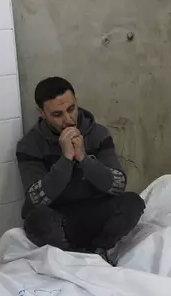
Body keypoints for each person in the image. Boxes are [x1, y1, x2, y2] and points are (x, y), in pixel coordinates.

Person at [16, 77, 145, 265]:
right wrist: (66, 159)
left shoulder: (98, 133)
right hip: (60, 219)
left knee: (132, 203)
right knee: (36, 220)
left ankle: (99, 249)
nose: (68, 120)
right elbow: (37, 198)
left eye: (71, 109)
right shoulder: (29, 145)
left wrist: (84, 158)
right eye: (57, 114)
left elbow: (117, 185)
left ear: (76, 102)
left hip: (96, 210)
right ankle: (77, 255)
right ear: (42, 113)